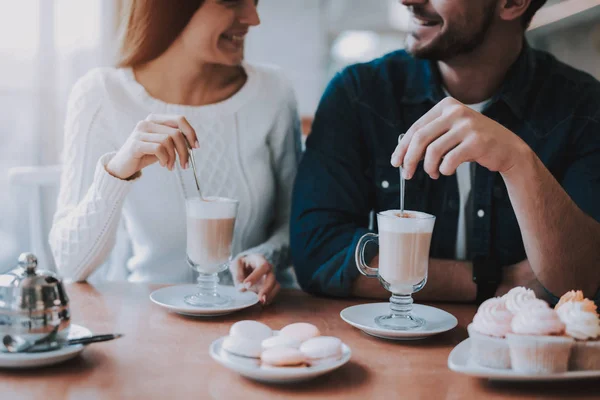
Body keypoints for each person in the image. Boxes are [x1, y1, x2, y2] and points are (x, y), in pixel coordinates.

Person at [291, 0, 600, 304]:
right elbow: (318, 256)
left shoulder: (584, 109)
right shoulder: (358, 94)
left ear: (513, 3)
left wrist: (517, 161)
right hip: (389, 346)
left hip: (520, 350)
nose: (407, 1)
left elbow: (579, 282)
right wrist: (495, 281)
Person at [49, 0, 301, 305]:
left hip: (259, 316)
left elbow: (297, 223)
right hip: (149, 317)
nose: (253, 18)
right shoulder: (101, 94)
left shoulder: (273, 92)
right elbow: (70, 264)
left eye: (255, 1)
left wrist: (265, 256)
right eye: (233, 2)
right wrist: (118, 170)